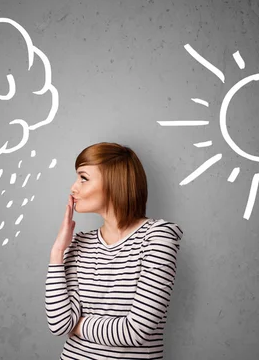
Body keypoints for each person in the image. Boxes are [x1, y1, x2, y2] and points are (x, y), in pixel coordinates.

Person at [45, 142, 183, 359]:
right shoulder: (79, 243)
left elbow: (135, 331)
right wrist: (57, 253)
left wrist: (78, 325)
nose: (73, 187)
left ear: (114, 181)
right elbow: (59, 324)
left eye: (83, 178)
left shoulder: (157, 237)